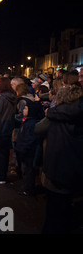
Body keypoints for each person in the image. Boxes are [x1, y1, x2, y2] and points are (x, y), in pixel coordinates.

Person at [41, 83, 83, 233]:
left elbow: (38, 129)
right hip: (75, 168)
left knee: (54, 212)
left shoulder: (54, 115)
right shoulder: (77, 116)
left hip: (55, 167)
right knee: (68, 212)